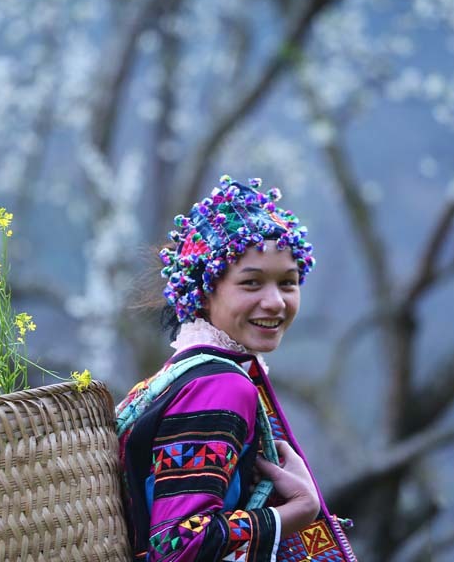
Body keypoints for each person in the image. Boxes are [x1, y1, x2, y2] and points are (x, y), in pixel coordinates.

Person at [116, 175, 352, 562]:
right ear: (205, 292)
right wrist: (294, 512)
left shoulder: (176, 379)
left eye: (288, 283)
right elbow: (176, 543)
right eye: (252, 283)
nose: (275, 302)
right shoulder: (221, 388)